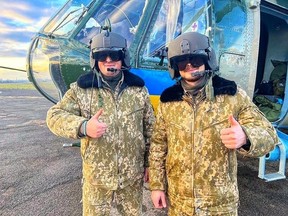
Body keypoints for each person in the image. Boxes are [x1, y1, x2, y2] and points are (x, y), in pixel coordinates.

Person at [148, 32, 278, 215]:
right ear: (174, 66)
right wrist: (157, 186)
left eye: (195, 60)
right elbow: (158, 145)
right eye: (182, 62)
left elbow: (269, 134)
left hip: (220, 204)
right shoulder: (169, 101)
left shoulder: (231, 95)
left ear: (207, 60)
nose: (189, 66)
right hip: (180, 202)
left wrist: (246, 136)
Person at [46, 30, 155, 215]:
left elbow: (151, 130)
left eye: (114, 55)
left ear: (123, 58)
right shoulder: (81, 90)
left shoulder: (138, 91)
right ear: (94, 59)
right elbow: (54, 116)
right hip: (97, 179)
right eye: (101, 55)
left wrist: (149, 164)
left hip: (131, 178)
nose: (108, 60)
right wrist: (84, 126)